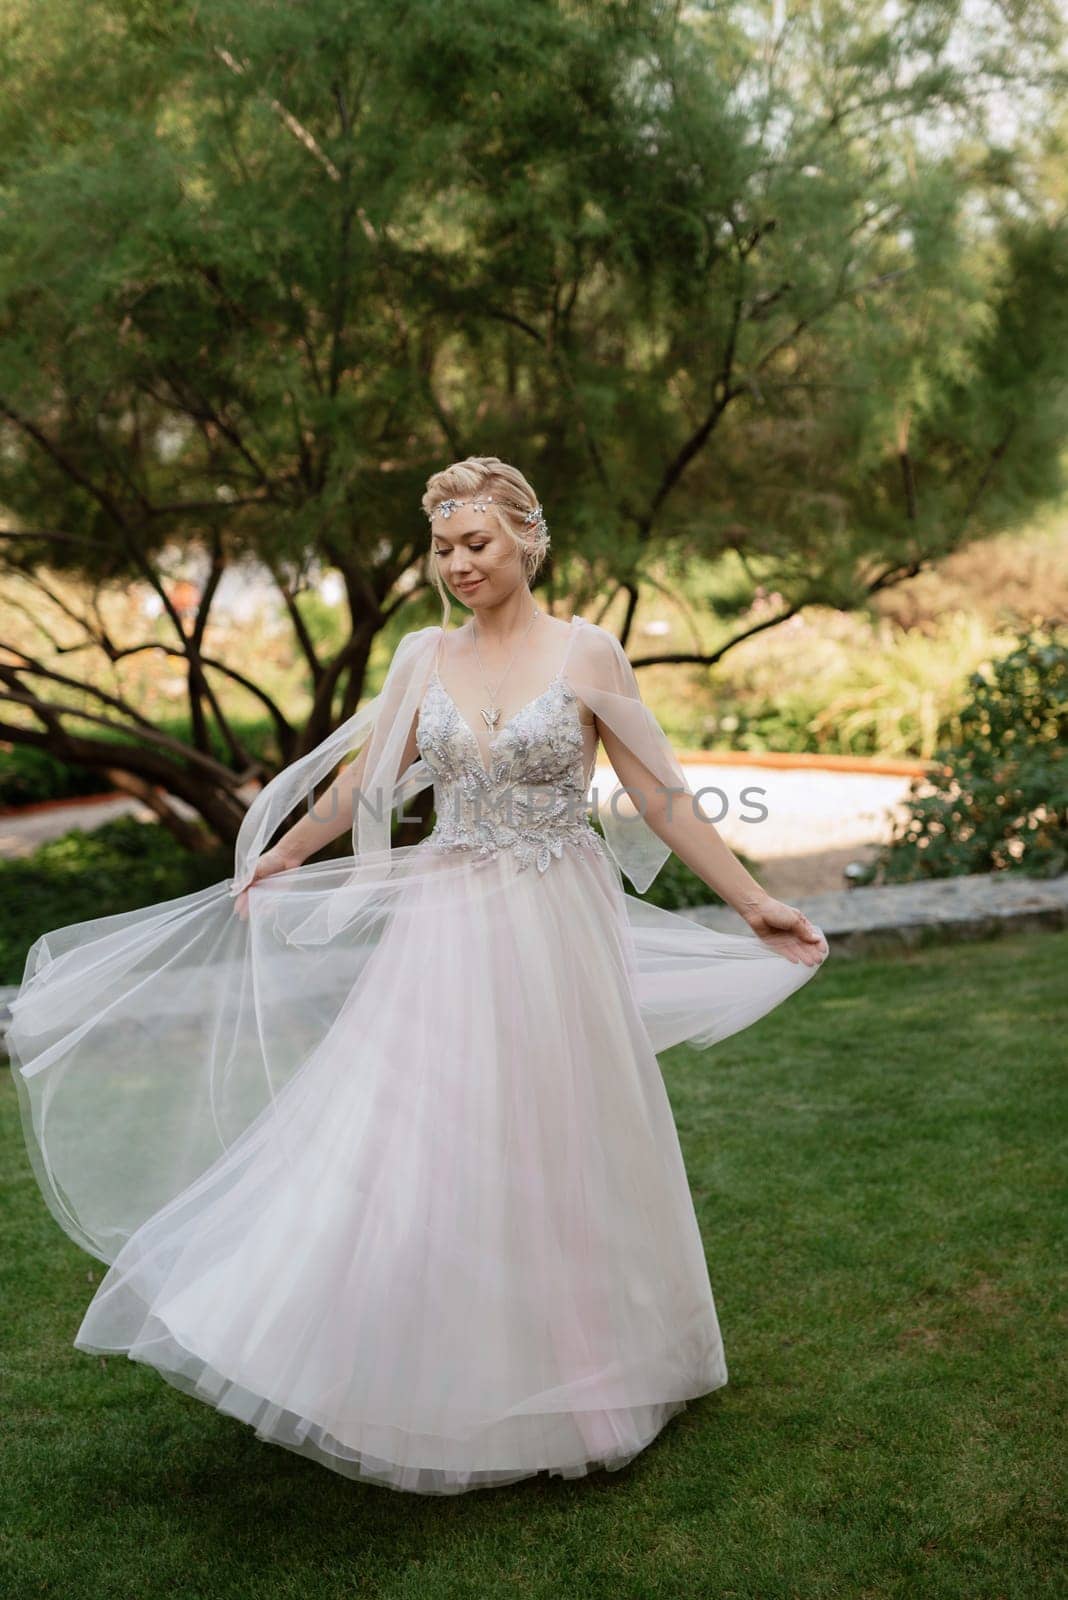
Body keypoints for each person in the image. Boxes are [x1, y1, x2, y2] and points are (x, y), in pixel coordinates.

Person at [9, 454, 828, 1497]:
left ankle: (584, 1380)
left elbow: (662, 800)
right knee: (424, 1140)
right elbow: (370, 781)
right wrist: (288, 852)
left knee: (560, 1139)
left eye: (476, 543)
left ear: (526, 540)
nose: (458, 564)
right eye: (443, 548)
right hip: (446, 930)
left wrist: (753, 898)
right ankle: (406, 1365)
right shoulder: (420, 656)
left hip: (555, 926)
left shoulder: (589, 653)